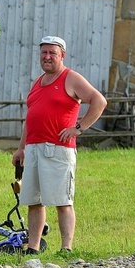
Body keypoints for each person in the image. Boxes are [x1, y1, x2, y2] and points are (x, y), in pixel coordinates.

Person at [12, 36, 107, 254]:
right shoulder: (38, 82)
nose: (47, 57)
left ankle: (66, 248)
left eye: (52, 53)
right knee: (33, 201)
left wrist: (79, 128)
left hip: (58, 148)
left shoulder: (70, 78)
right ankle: (33, 248)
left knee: (62, 200)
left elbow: (99, 101)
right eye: (44, 53)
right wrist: (21, 148)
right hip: (34, 149)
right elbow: (31, 117)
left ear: (62, 55)